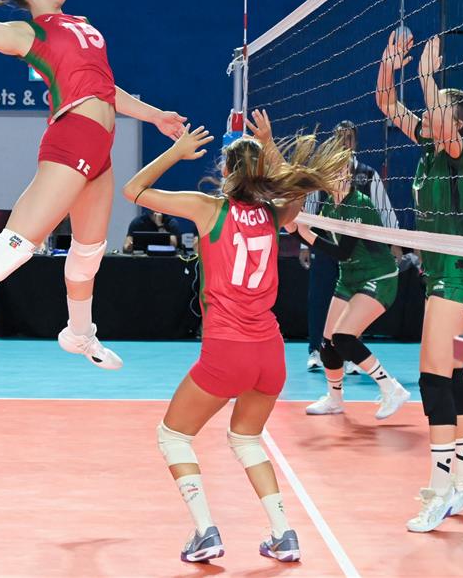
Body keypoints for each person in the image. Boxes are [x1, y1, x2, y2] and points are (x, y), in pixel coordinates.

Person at [0, 0, 185, 394]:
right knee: (17, 245)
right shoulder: (28, 33)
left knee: (90, 250)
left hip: (100, 147)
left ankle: (79, 333)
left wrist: (155, 116)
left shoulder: (82, 26)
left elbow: (104, 89)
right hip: (72, 138)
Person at [123, 118, 350, 564]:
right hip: (270, 353)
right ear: (261, 172)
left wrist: (176, 152)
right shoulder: (273, 213)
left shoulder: (208, 208)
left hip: (227, 349)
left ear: (226, 171)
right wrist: (270, 146)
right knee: (247, 440)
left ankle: (205, 531)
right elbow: (297, 196)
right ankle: (283, 534)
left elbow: (133, 190)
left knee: (173, 437)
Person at [376, 30, 463, 533]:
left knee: (432, 378)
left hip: (456, 274)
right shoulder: (429, 146)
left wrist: (426, 76)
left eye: (439, 106)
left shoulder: (462, 152)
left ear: (456, 122)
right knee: (452, 375)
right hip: (442, 273)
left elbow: (440, 123)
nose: (428, 111)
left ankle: (441, 489)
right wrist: (390, 63)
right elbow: (385, 103)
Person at [292, 154, 410, 420]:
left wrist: (304, 232)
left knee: (343, 338)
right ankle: (335, 400)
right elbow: (320, 237)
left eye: (342, 172)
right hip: (349, 277)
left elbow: (342, 251)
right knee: (327, 344)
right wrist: (295, 228)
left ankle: (391, 388)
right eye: (332, 173)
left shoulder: (359, 204)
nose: (338, 177)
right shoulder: (330, 206)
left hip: (378, 276)